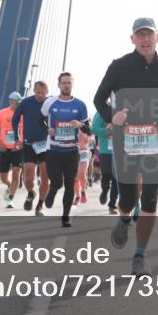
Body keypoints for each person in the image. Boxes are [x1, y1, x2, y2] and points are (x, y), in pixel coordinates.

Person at [94, 17, 158, 276]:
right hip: (125, 141)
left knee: (149, 199)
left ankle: (140, 255)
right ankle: (124, 218)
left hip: (155, 141)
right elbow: (99, 98)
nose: (145, 39)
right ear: (132, 39)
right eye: (140, 35)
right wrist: (111, 116)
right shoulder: (119, 66)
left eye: (150, 34)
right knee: (127, 199)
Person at [41, 72, 89, 227]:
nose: (66, 85)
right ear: (59, 85)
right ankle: (53, 190)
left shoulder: (80, 105)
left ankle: (65, 216)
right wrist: (47, 129)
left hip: (71, 150)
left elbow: (88, 128)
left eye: (69, 82)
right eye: (63, 82)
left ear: (72, 84)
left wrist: (80, 125)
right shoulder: (50, 102)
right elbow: (39, 120)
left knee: (70, 183)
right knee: (56, 182)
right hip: (53, 149)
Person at [12, 80, 52, 215]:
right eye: (38, 92)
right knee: (28, 177)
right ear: (34, 90)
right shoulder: (26, 102)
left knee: (45, 177)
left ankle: (40, 206)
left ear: (47, 92)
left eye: (43, 92)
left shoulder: (50, 103)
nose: (40, 95)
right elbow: (15, 119)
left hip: (46, 144)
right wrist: (17, 138)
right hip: (29, 144)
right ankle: (31, 193)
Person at [0, 92, 24, 208]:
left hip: (18, 149)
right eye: (15, 101)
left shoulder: (23, 114)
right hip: (5, 149)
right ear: (10, 101)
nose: (17, 103)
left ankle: (10, 199)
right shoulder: (2, 113)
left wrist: (21, 143)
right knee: (3, 178)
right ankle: (9, 185)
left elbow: (26, 130)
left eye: (19, 101)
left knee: (16, 173)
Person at [91, 101, 119, 214]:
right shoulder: (102, 112)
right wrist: (107, 131)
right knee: (107, 174)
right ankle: (105, 189)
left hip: (121, 151)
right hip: (106, 150)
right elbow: (94, 129)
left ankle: (112, 205)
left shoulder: (127, 110)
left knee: (117, 178)